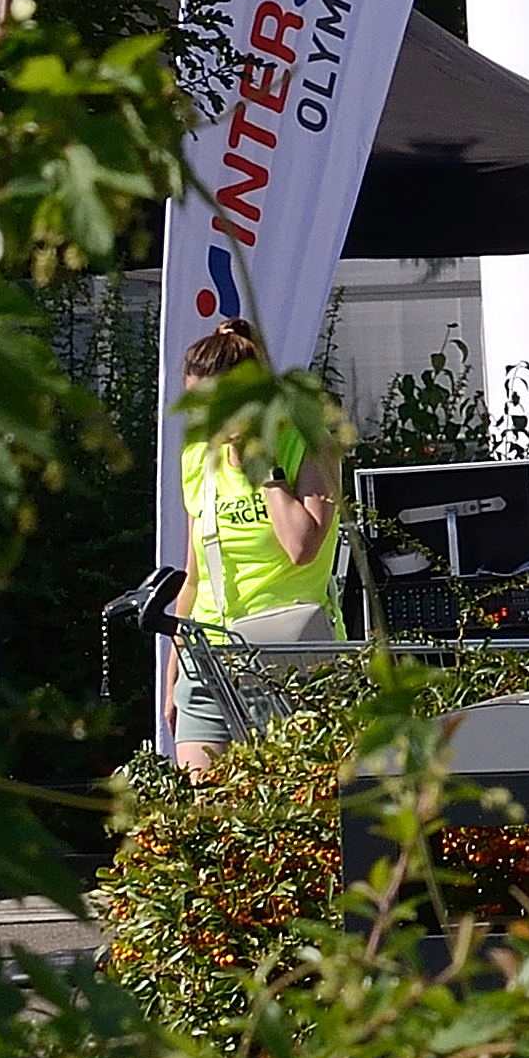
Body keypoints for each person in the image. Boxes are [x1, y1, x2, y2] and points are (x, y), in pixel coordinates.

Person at [161, 317, 342, 774]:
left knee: (292, 797)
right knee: (206, 801)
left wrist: (261, 465)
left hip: (288, 654)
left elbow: (301, 545)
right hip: (208, 653)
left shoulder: (306, 442)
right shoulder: (198, 457)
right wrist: (174, 667)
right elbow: (194, 573)